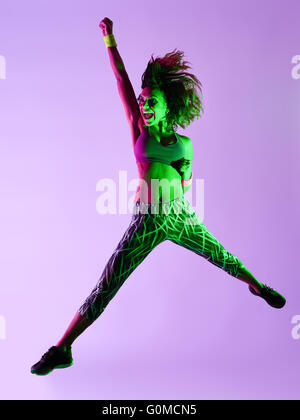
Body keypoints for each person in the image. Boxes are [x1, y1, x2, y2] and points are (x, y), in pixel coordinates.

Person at [31, 17, 286, 376]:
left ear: (169, 106)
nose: (145, 106)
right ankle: (62, 348)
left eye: (152, 102)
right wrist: (110, 41)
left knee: (220, 254)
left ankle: (257, 287)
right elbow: (121, 80)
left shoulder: (185, 144)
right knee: (109, 281)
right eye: (143, 101)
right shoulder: (139, 128)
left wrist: (181, 183)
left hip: (180, 215)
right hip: (147, 218)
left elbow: (185, 183)